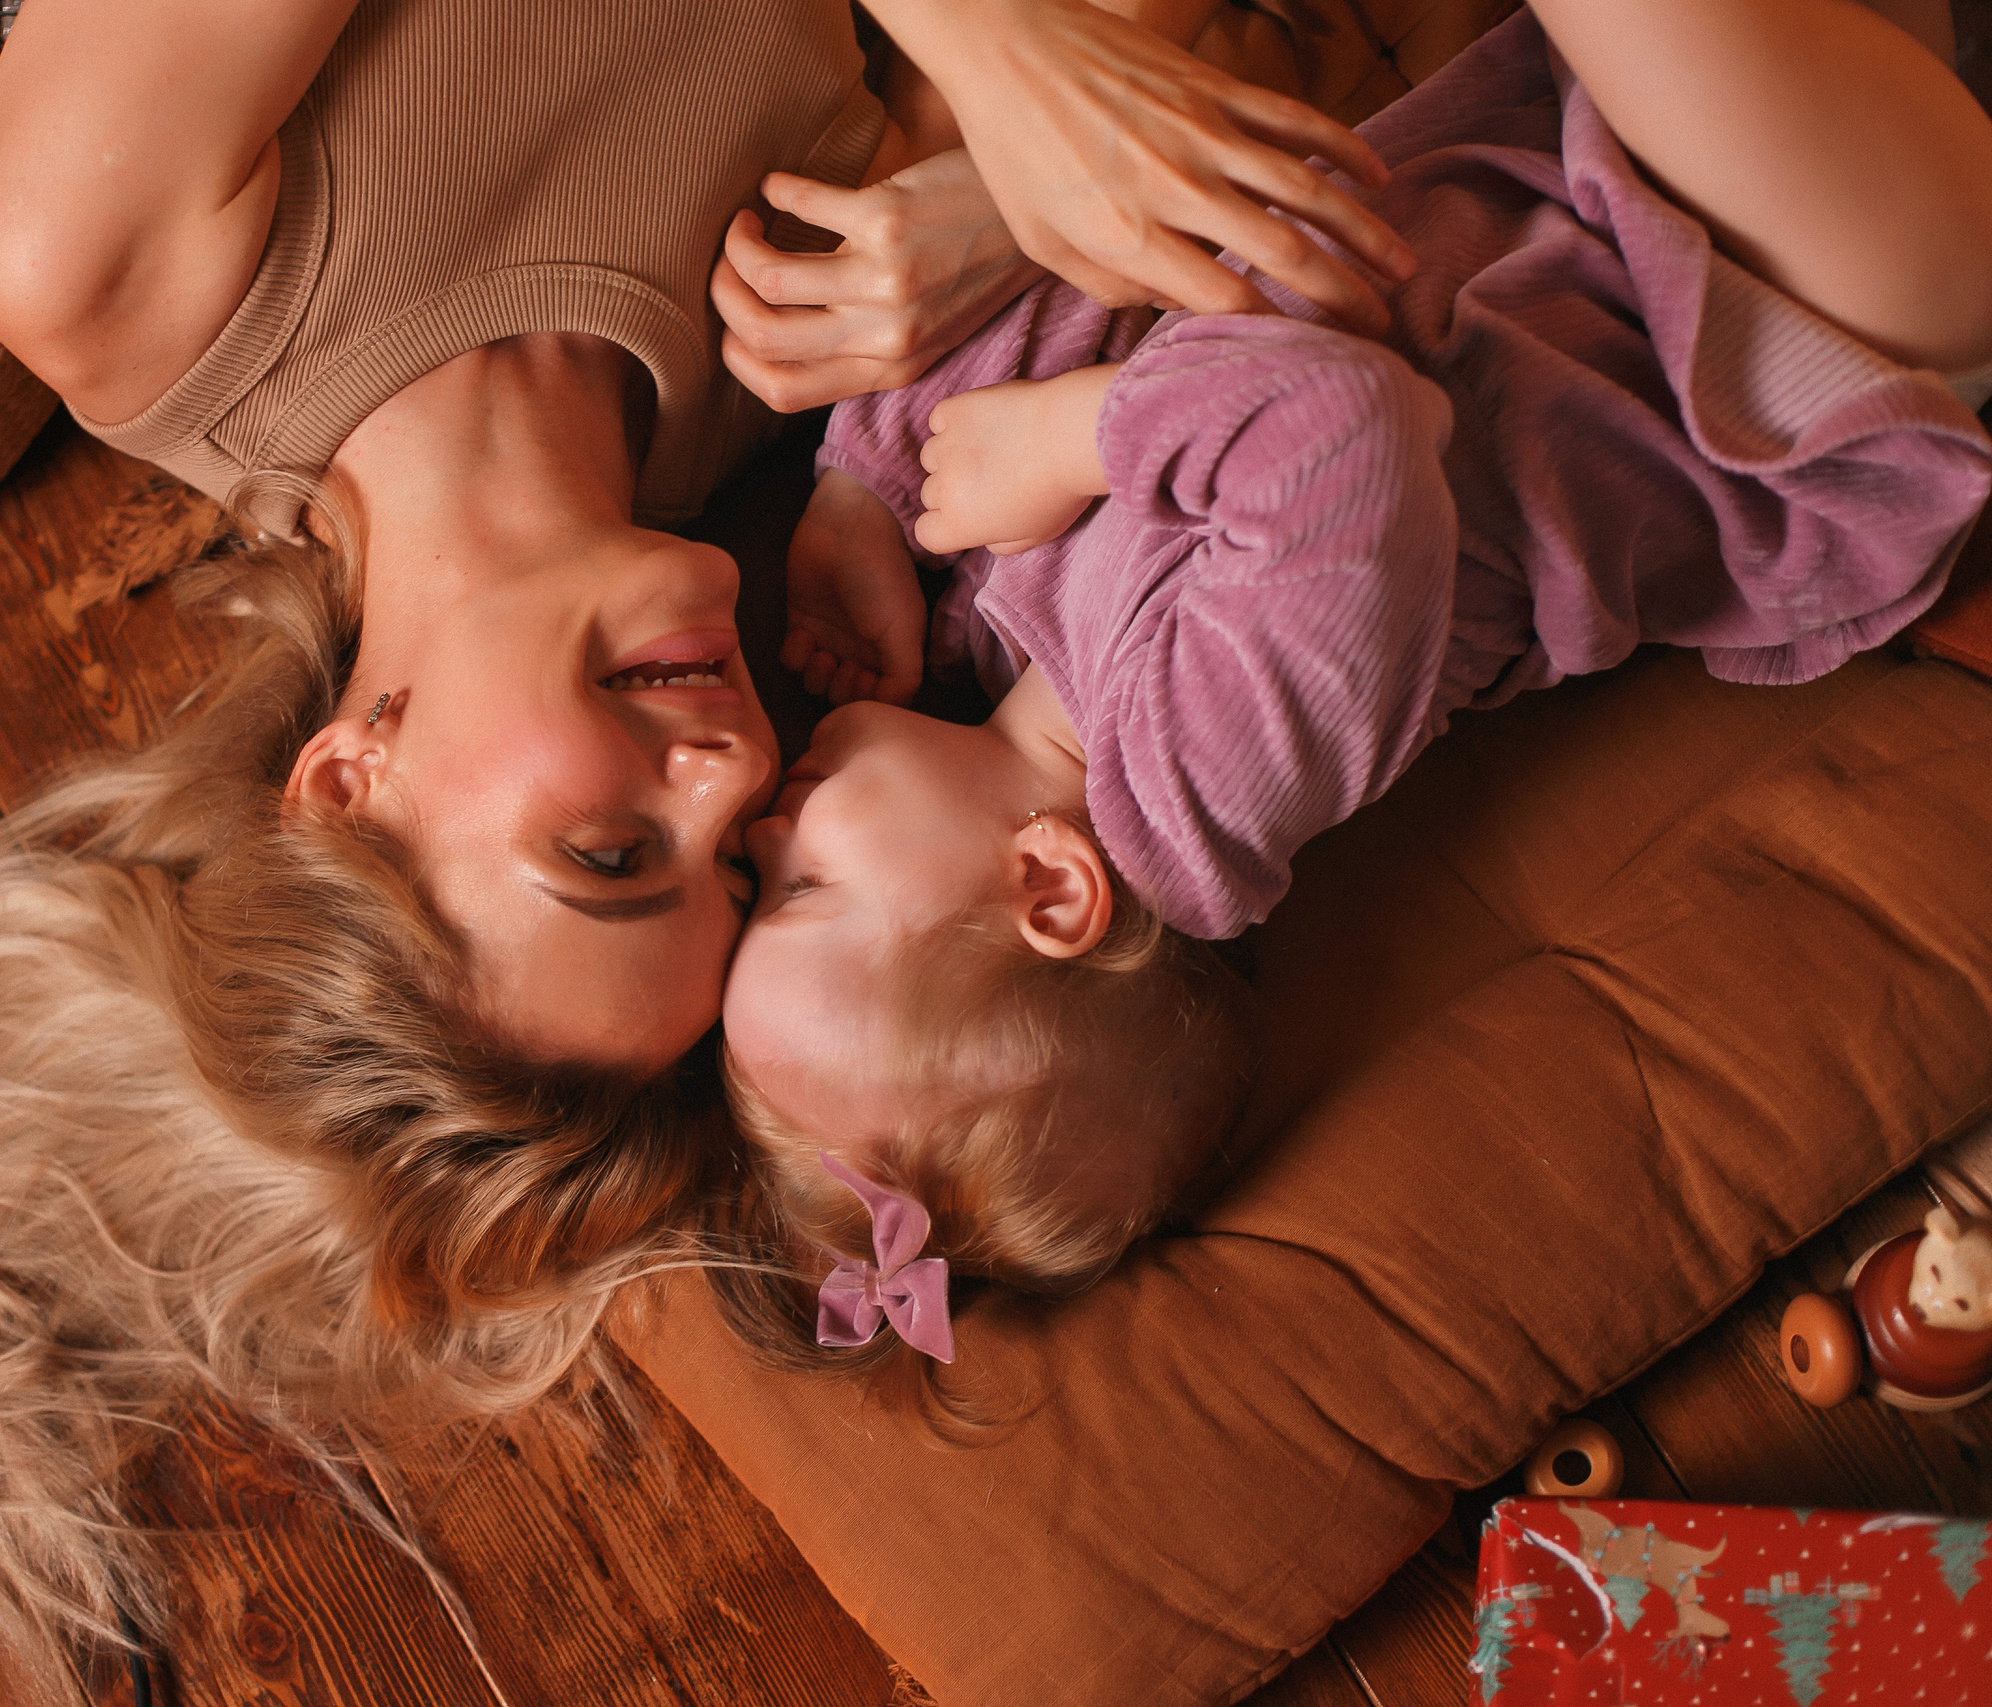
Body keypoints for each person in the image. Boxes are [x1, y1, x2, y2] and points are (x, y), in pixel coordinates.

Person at [0, 1, 1417, 1696]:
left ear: (344, 785)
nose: (729, 768)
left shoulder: (120, 273)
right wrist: (989, 206)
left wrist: (994, 67)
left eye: (607, 852)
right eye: (739, 866)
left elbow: (1068, 101)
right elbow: (1223, 113)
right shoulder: (802, 364)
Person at [711, 0, 1992, 1414]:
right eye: (802, 887)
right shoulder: (1204, 785)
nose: (764, 825)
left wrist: (868, 494)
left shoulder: (1001, 647)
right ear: (1052, 889)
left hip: (1597, 152)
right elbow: (1351, 430)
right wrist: (1075, 438)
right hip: (1765, 323)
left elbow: (1062, 308)